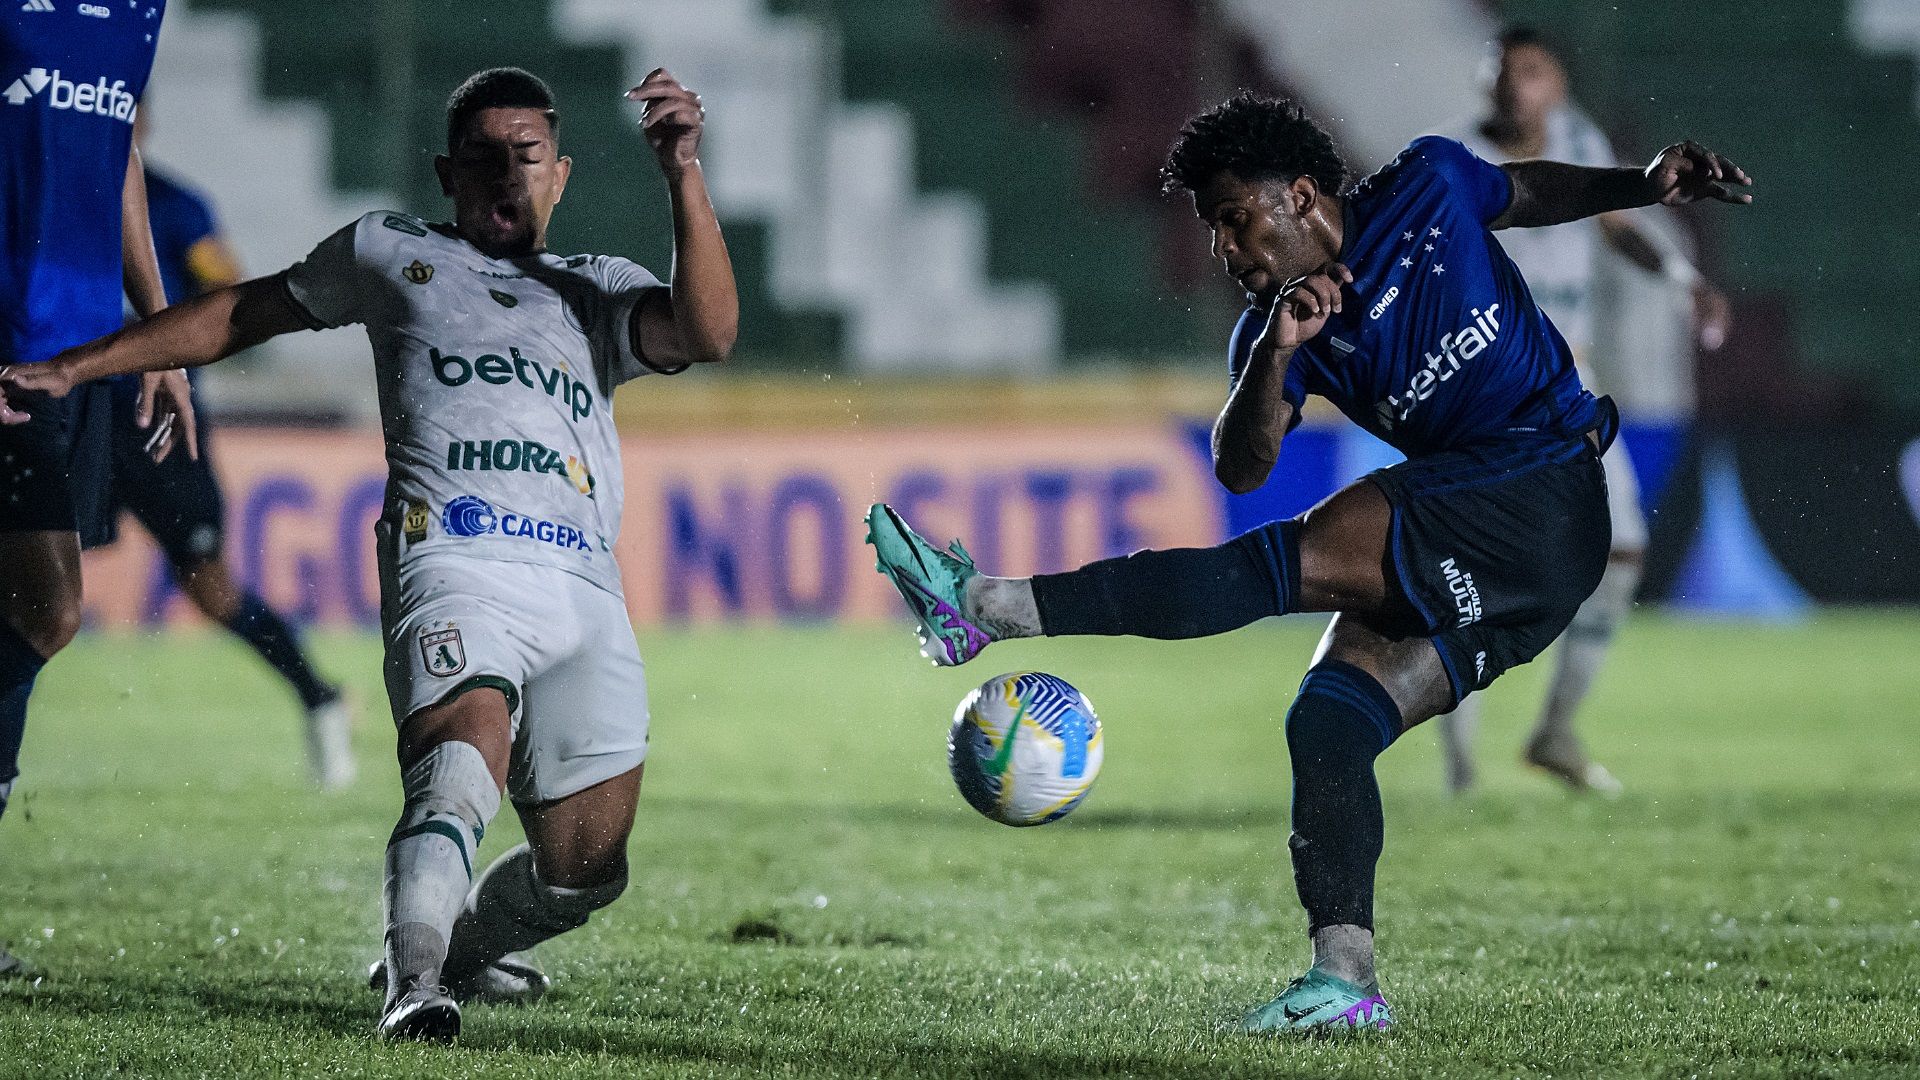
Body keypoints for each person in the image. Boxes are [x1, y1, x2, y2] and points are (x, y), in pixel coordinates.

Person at [864, 93, 1749, 1033]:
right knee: (1329, 722)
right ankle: (1345, 983)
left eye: (1234, 219)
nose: (1224, 248)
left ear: (1297, 197)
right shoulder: (1277, 330)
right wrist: (1279, 354)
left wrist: (1640, 185)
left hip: (1541, 486)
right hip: (1522, 568)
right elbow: (1241, 466)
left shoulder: (1430, 184)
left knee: (1275, 567)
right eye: (1213, 230)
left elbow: (1523, 191)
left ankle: (988, 608)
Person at [6, 65, 738, 1041]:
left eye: (527, 156)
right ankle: (417, 983)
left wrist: (682, 171)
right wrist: (77, 364)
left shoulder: (596, 288)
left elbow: (708, 332)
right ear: (446, 172)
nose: (507, 173)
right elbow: (243, 311)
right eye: (483, 156)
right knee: (458, 761)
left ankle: (458, 955)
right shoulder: (392, 251)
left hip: (581, 585)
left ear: (559, 175)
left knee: (585, 871)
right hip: (453, 555)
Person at [1434, 23, 1732, 794]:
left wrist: (1682, 279)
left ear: (1557, 84)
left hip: (1569, 390)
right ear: (1483, 83)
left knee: (1621, 556)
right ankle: (1460, 761)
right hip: (1487, 396)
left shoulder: (1576, 140)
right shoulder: (1453, 160)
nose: (1513, 84)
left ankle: (1556, 731)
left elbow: (1617, 227)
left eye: (1530, 70)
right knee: (1471, 572)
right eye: (1501, 70)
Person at [0, 3, 196, 977]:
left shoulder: (136, 12)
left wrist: (157, 333)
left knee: (22, 617)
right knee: (50, 610)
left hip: (80, 357)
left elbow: (116, 154)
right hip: (11, 351)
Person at [97, 111, 355, 789]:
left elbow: (226, 292)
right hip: (73, 415)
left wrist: (171, 337)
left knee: (208, 585)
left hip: (157, 423)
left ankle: (318, 695)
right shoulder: (48, 192)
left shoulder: (177, 206)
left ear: (143, 120)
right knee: (37, 574)